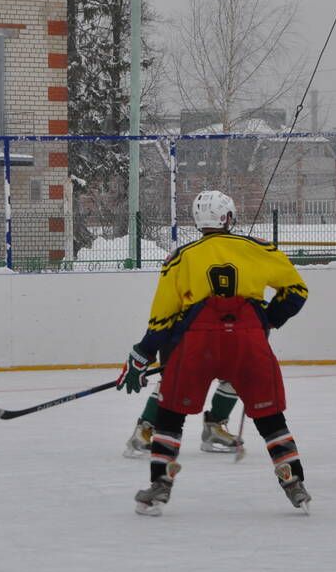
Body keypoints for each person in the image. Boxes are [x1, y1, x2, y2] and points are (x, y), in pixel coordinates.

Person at [116, 189, 311, 516]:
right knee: (270, 417)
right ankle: (294, 483)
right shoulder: (259, 249)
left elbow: (162, 318)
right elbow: (297, 293)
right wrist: (266, 322)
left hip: (198, 343)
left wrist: (142, 356)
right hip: (247, 341)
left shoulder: (181, 257)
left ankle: (159, 485)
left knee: (170, 416)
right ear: (229, 217)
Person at [125, 386, 244, 457]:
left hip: (216, 344)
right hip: (182, 344)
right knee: (175, 377)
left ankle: (213, 429)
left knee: (234, 372)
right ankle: (143, 430)